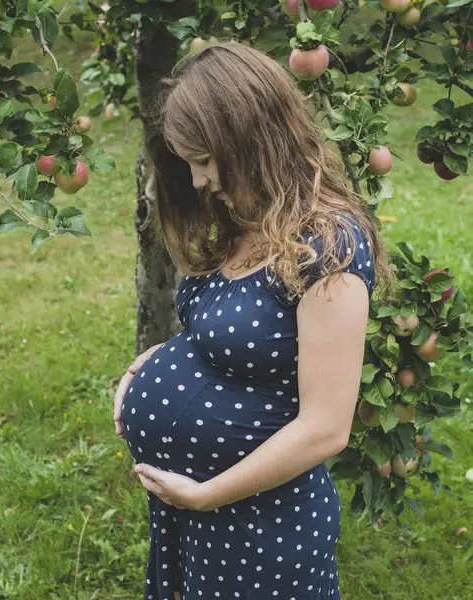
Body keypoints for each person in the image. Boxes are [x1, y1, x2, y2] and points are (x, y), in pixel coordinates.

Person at [113, 41, 394, 600]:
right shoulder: (245, 220)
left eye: (203, 160)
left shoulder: (328, 245)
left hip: (259, 529)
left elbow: (325, 429)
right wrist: (147, 367)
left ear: (247, 138)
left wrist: (207, 495)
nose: (196, 181)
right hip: (190, 513)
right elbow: (223, 335)